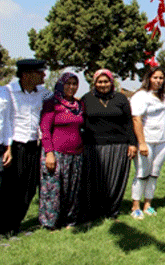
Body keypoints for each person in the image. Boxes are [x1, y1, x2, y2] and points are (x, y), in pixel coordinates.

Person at [0, 59, 52, 236]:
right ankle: (5, 228)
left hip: (33, 146)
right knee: (11, 189)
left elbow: (59, 97)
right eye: (40, 72)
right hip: (15, 146)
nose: (44, 75)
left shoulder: (42, 93)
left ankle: (15, 225)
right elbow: (4, 121)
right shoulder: (8, 92)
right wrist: (7, 147)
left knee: (29, 188)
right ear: (27, 74)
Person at [81, 69, 137, 220]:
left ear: (111, 82)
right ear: (94, 83)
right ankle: (94, 211)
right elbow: (81, 123)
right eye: (99, 81)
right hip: (94, 146)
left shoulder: (121, 99)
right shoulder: (86, 99)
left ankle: (111, 210)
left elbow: (128, 122)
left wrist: (132, 143)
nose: (103, 84)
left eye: (106, 81)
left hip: (119, 145)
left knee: (115, 179)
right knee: (94, 180)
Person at [39, 72, 84, 230]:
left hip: (76, 154)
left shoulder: (78, 105)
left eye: (74, 83)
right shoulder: (52, 103)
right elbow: (45, 130)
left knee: (72, 190)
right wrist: (49, 153)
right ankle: (50, 222)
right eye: (68, 83)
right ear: (61, 84)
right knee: (53, 189)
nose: (71, 87)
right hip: (56, 153)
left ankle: (69, 220)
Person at [130, 67, 165, 219]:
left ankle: (148, 204)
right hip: (146, 140)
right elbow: (136, 119)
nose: (158, 81)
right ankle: (135, 206)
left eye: (161, 78)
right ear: (149, 79)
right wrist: (141, 143)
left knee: (154, 174)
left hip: (162, 141)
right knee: (142, 173)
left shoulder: (164, 97)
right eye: (155, 78)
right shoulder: (141, 96)